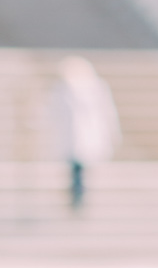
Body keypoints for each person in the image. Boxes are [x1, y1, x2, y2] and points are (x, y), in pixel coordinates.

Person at [43, 56, 121, 208]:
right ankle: (77, 197)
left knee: (79, 168)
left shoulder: (95, 88)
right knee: (76, 168)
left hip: (84, 136)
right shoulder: (62, 88)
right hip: (73, 137)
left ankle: (77, 198)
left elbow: (107, 112)